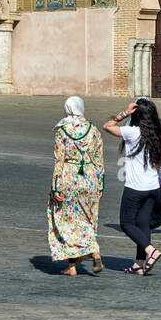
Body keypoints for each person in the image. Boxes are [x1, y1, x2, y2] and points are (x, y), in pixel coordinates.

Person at [103, 98, 161, 274]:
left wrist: (124, 113)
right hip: (153, 186)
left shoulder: (132, 132)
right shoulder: (158, 132)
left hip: (136, 188)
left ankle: (151, 251)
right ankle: (139, 264)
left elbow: (107, 126)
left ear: (136, 115)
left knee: (126, 223)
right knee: (143, 224)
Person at [47, 96, 105, 276]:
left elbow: (59, 161)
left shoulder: (62, 131)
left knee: (65, 221)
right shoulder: (94, 130)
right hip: (89, 178)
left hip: (68, 178)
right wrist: (100, 185)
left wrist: (56, 187)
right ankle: (75, 264)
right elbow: (99, 160)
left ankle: (87, 254)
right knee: (87, 219)